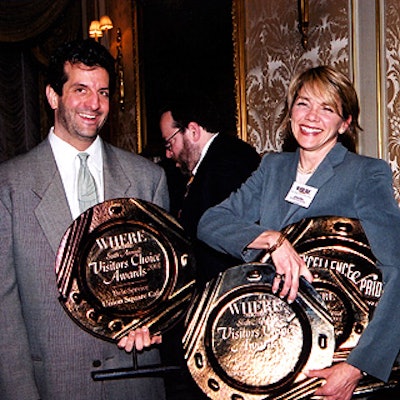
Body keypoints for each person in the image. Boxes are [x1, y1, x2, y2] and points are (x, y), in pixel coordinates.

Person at [197, 65, 400, 400]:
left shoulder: (365, 174)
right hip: (272, 349)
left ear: (345, 122)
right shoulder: (272, 167)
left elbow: (397, 271)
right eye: (303, 103)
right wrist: (273, 241)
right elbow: (210, 222)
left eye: (327, 108)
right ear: (290, 110)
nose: (311, 117)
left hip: (336, 357)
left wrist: (357, 367)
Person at [0, 39, 168, 400]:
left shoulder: (146, 179)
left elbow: (163, 284)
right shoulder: (9, 185)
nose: (94, 104)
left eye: (103, 92)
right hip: (54, 386)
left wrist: (152, 322)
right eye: (81, 89)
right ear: (52, 96)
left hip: (135, 383)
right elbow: (3, 308)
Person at [159, 95, 260, 288]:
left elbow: (230, 239)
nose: (168, 153)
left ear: (193, 131)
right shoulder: (217, 159)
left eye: (169, 143)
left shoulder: (229, 162)